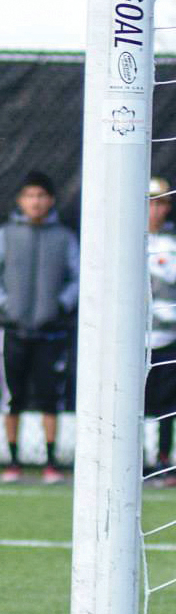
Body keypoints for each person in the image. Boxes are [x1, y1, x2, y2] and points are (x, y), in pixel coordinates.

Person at [0, 170, 78, 483]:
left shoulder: (64, 237)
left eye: (41, 196)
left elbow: (78, 276)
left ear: (50, 200)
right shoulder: (5, 234)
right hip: (12, 331)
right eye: (30, 196)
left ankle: (51, 463)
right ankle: (13, 461)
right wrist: (3, 305)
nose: (35, 202)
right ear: (21, 200)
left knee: (51, 397)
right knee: (12, 397)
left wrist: (62, 304)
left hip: (51, 332)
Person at [147, 177, 176, 484]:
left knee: (168, 406)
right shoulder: (128, 241)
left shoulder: (171, 242)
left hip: (168, 338)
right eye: (150, 202)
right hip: (135, 342)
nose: (155, 209)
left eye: (161, 203)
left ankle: (164, 461)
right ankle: (136, 460)